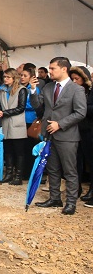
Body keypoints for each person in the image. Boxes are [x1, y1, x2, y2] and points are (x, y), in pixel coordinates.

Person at [31, 57, 86, 215]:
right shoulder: (48, 87)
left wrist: (60, 124)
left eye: (53, 68)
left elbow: (80, 112)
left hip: (67, 136)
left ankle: (71, 202)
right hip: (49, 135)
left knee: (69, 171)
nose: (50, 71)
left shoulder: (76, 89)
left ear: (64, 69)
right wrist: (33, 90)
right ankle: (55, 198)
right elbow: (38, 107)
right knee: (52, 169)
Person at [0, 69, 28, 185]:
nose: (5, 79)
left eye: (8, 77)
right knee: (8, 151)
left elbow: (21, 107)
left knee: (19, 152)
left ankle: (18, 176)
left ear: (14, 78)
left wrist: (5, 113)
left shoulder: (21, 90)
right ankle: (9, 174)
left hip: (17, 124)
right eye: (4, 77)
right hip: (5, 124)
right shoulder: (2, 90)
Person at [67, 66, 93, 203]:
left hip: (88, 130)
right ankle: (76, 188)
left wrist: (81, 106)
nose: (75, 81)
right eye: (72, 79)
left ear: (84, 79)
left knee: (90, 160)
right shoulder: (72, 91)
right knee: (76, 162)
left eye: (77, 79)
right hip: (75, 130)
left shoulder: (90, 91)